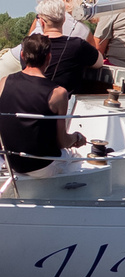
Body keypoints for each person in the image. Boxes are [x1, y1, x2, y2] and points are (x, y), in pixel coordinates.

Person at [1, 35, 85, 179]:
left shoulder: (3, 82)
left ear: (22, 55)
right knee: (77, 157)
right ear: (49, 57)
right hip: (41, 167)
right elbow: (62, 142)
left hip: (10, 162)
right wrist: (77, 138)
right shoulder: (58, 93)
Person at [34, 0, 111, 96]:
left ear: (41, 22)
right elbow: (99, 62)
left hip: (33, 101)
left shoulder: (29, 45)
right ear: (64, 20)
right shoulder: (78, 45)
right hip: (67, 104)